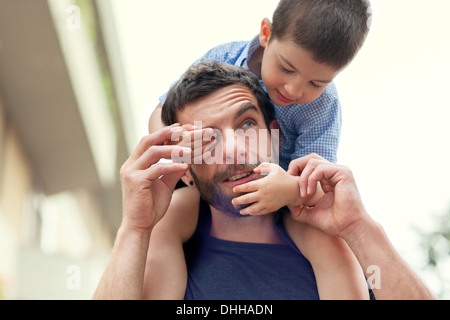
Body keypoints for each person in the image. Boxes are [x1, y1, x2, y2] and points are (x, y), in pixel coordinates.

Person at [94, 62, 371, 300]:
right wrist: (135, 228)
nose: (234, 149)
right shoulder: (171, 231)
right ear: (186, 170)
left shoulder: (324, 235)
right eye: (207, 138)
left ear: (276, 138)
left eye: (247, 124)